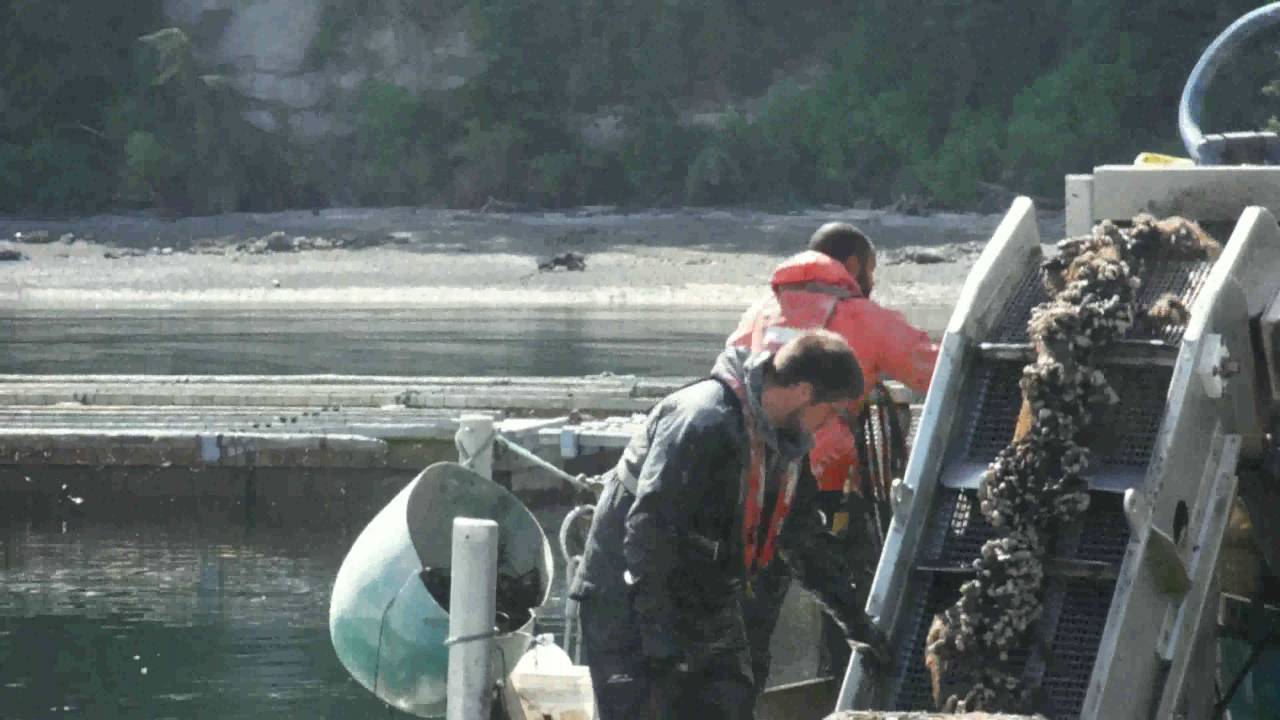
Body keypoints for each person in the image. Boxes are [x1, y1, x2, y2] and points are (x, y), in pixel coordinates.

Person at [569, 331, 881, 720]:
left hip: (703, 599)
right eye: (832, 411)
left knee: (730, 705)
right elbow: (649, 532)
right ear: (803, 391)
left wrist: (856, 624)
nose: (829, 425)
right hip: (628, 599)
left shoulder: (785, 446)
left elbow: (803, 541)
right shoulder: (704, 420)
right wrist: (661, 641)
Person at [726, 222, 939, 692]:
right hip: (829, 488)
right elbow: (937, 371)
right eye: (873, 270)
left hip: (757, 487)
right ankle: (848, 693)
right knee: (851, 601)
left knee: (751, 619)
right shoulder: (861, 315)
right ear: (856, 266)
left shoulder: (759, 313)